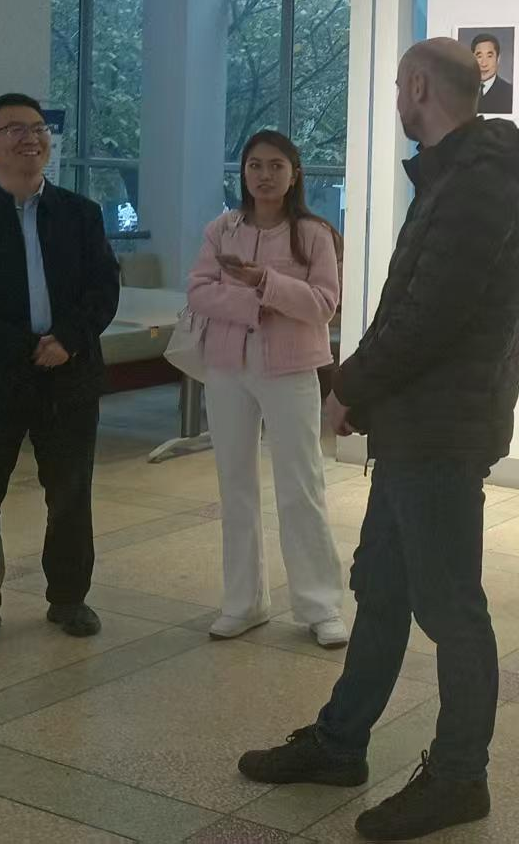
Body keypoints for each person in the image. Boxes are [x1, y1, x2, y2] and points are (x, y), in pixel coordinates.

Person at [238, 38, 519, 842]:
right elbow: (405, 304)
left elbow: (430, 315)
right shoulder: (453, 174)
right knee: (382, 586)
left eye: (398, 87)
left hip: (442, 429)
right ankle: (341, 741)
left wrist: (351, 385)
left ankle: (460, 776)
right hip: (417, 421)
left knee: (451, 606)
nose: (397, 99)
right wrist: (368, 387)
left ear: (417, 85)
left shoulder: (478, 184)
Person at [0, 92, 120, 651]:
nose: (30, 137)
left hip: (69, 375)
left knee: (70, 493)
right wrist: (26, 348)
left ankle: (69, 598)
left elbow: (103, 288)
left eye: (37, 127)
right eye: (14, 129)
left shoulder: (81, 214)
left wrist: (68, 341)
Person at [186, 131, 347, 648]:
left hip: (291, 368)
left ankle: (320, 605)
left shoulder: (314, 233)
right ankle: (243, 601)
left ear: (294, 173)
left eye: (276, 165)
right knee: (234, 484)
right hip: (227, 368)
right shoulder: (222, 228)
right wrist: (256, 303)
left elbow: (323, 304)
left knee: (301, 485)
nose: (264, 175)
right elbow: (198, 292)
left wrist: (264, 283)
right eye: (255, 165)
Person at [470, 33, 513, 115]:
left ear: (498, 59)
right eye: (479, 56)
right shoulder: (462, 92)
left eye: (489, 56)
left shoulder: (509, 92)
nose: (484, 63)